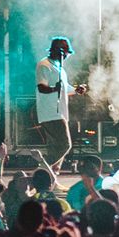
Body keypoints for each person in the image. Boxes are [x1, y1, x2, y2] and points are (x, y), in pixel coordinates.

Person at [34, 36, 87, 164]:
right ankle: (41, 170)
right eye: (66, 53)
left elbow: (64, 88)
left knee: (54, 148)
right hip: (51, 113)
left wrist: (76, 90)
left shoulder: (60, 69)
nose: (67, 56)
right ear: (59, 52)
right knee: (65, 145)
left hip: (60, 113)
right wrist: (54, 89)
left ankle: (51, 178)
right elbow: (42, 87)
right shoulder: (44, 65)